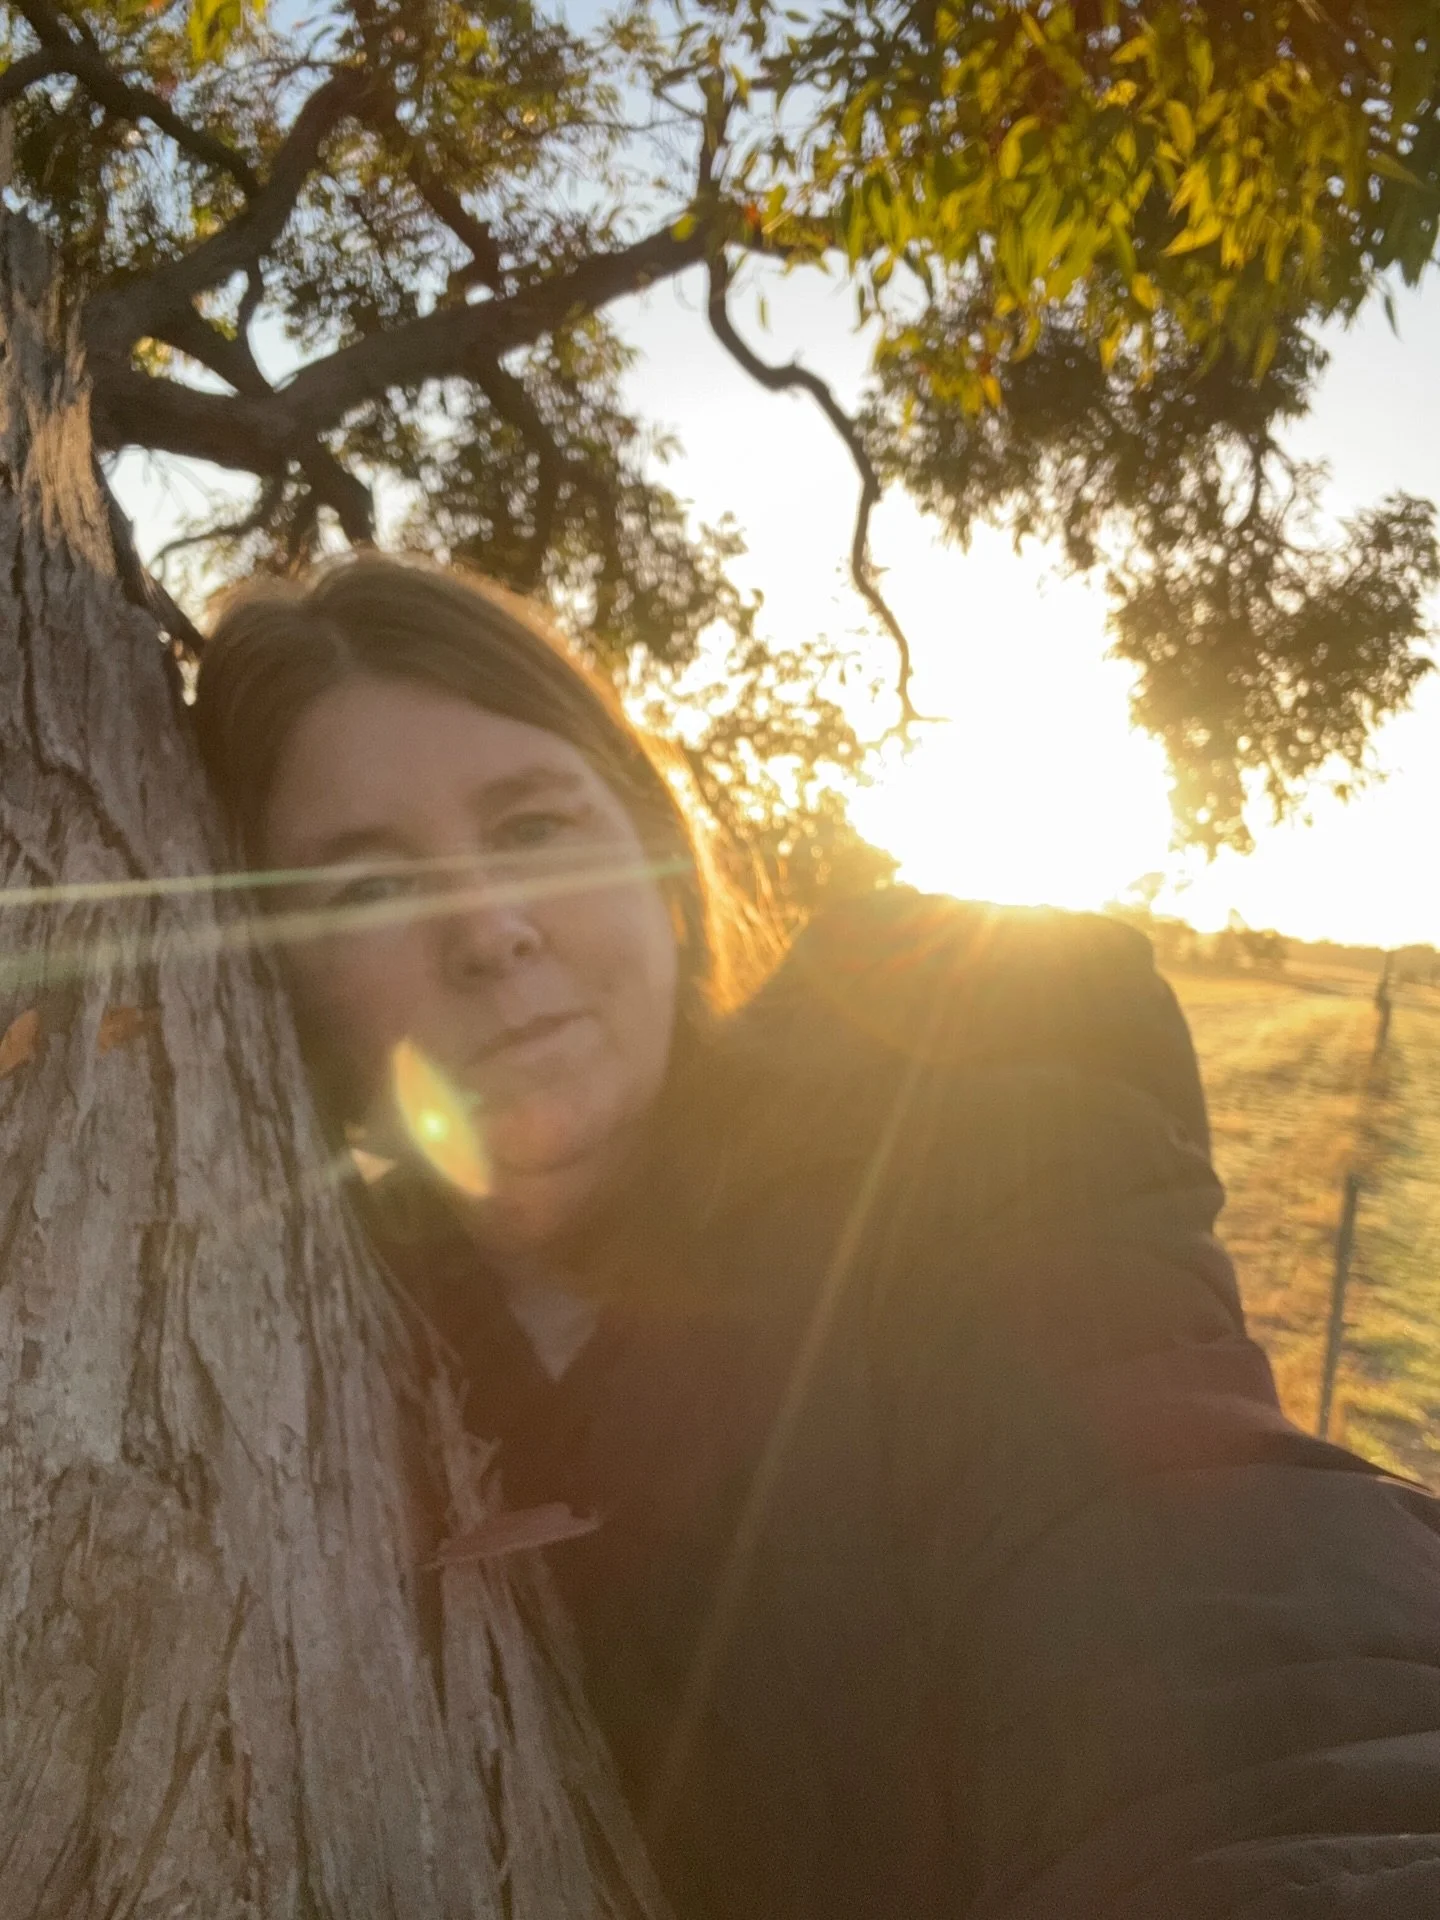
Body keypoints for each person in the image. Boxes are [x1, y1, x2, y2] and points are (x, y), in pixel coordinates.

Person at [196, 553, 1440, 1919]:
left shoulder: (961, 1160)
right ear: (280, 998)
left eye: (536, 826)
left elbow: (1241, 1645)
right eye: (368, 889)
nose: (489, 931)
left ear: (662, 861)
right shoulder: (284, 1331)